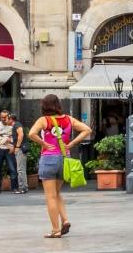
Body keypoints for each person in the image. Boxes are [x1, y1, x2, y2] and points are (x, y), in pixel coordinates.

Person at [28, 93, 88, 238]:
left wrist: (43, 143)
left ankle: (55, 230)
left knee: (50, 197)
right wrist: (72, 143)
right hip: (64, 159)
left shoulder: (44, 120)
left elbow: (31, 134)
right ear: (58, 105)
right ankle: (65, 220)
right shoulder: (68, 119)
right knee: (57, 193)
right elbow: (87, 129)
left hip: (49, 158)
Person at [0, 109, 23, 194]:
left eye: (5, 117)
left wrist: (11, 143)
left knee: (12, 168)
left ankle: (14, 188)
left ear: (9, 117)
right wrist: (4, 140)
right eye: (1, 117)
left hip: (10, 149)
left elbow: (15, 137)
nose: (3, 119)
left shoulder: (12, 125)